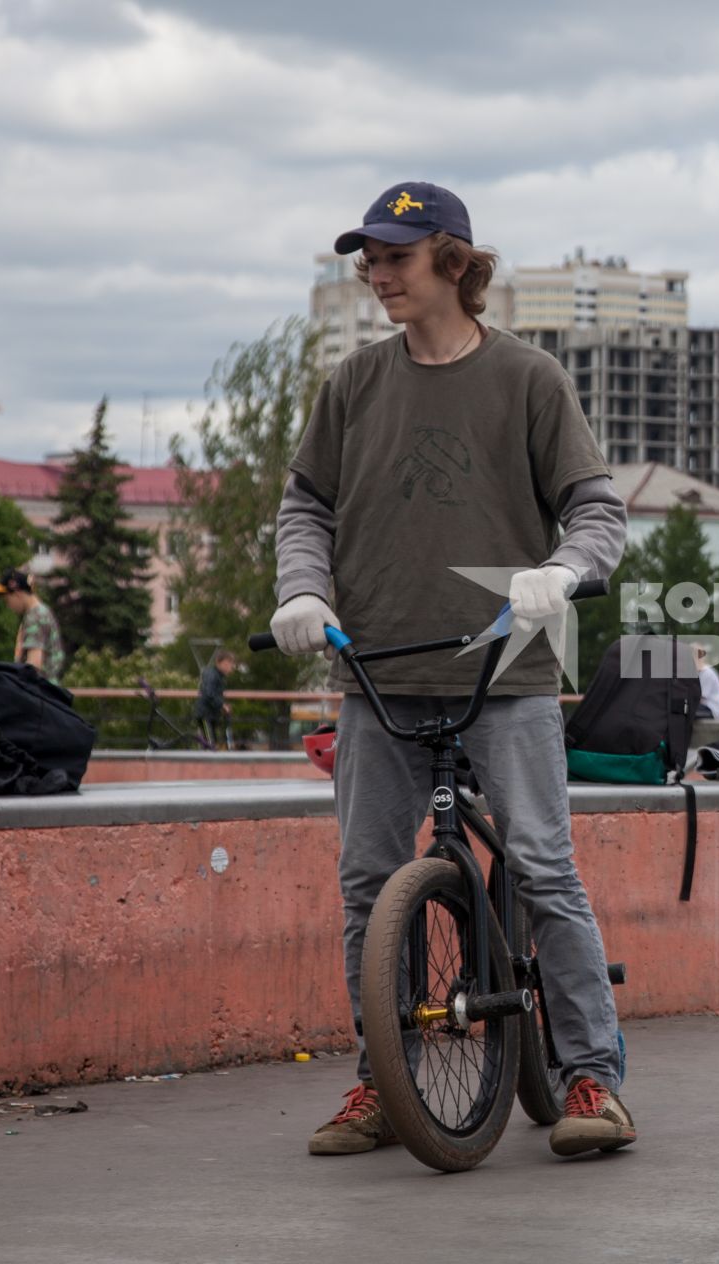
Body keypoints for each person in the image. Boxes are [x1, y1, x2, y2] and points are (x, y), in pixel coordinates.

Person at [271, 182, 634, 1159]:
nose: (375, 274)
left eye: (394, 256)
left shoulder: (528, 380)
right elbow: (304, 506)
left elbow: (599, 513)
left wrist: (564, 571)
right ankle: (381, 1081)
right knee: (365, 883)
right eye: (369, 260)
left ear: (454, 263)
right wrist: (302, 591)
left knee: (544, 867)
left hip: (503, 674)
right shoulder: (353, 384)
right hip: (378, 672)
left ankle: (592, 1074)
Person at [0, 568, 67, 683]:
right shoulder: (42, 612)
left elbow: (33, 665)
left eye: (7, 600)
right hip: (48, 691)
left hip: (41, 694)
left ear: (17, 593)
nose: (8, 605)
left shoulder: (35, 617)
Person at [192, 649, 236, 749]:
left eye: (231, 664)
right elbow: (209, 693)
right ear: (219, 662)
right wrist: (222, 705)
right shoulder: (212, 674)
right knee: (209, 744)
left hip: (210, 714)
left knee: (211, 743)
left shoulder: (218, 675)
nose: (230, 667)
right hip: (205, 714)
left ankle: (206, 761)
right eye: (228, 663)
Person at [692, 643, 719, 720]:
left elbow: (700, 697)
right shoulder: (698, 672)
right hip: (704, 707)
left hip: (711, 709)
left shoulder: (707, 672)